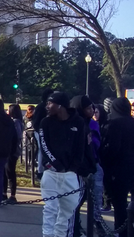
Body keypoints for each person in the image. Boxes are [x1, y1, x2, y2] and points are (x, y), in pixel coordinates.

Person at [38, 91, 85, 237]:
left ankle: (61, 235)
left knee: (67, 211)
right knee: (50, 209)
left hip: (70, 174)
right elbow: (44, 145)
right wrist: (55, 163)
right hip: (51, 172)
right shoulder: (46, 122)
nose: (47, 106)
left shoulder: (78, 122)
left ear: (60, 106)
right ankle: (47, 235)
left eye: (50, 103)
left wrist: (73, 168)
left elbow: (80, 147)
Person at [100, 97, 134, 237]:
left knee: (119, 203)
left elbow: (113, 147)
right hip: (133, 163)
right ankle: (128, 230)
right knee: (127, 201)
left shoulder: (114, 123)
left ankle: (121, 231)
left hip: (117, 166)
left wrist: (104, 157)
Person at [70, 95, 103, 237]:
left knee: (82, 200)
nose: (91, 111)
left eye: (92, 108)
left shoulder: (87, 123)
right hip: (79, 169)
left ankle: (77, 227)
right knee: (76, 202)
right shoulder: (77, 125)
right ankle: (74, 230)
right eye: (88, 108)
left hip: (89, 166)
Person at [3, 104, 23, 203]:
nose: (7, 111)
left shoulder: (15, 122)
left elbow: (17, 136)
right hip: (9, 149)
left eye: (8, 110)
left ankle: (12, 195)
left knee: (10, 172)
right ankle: (4, 193)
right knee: (5, 172)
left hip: (13, 151)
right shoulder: (15, 121)